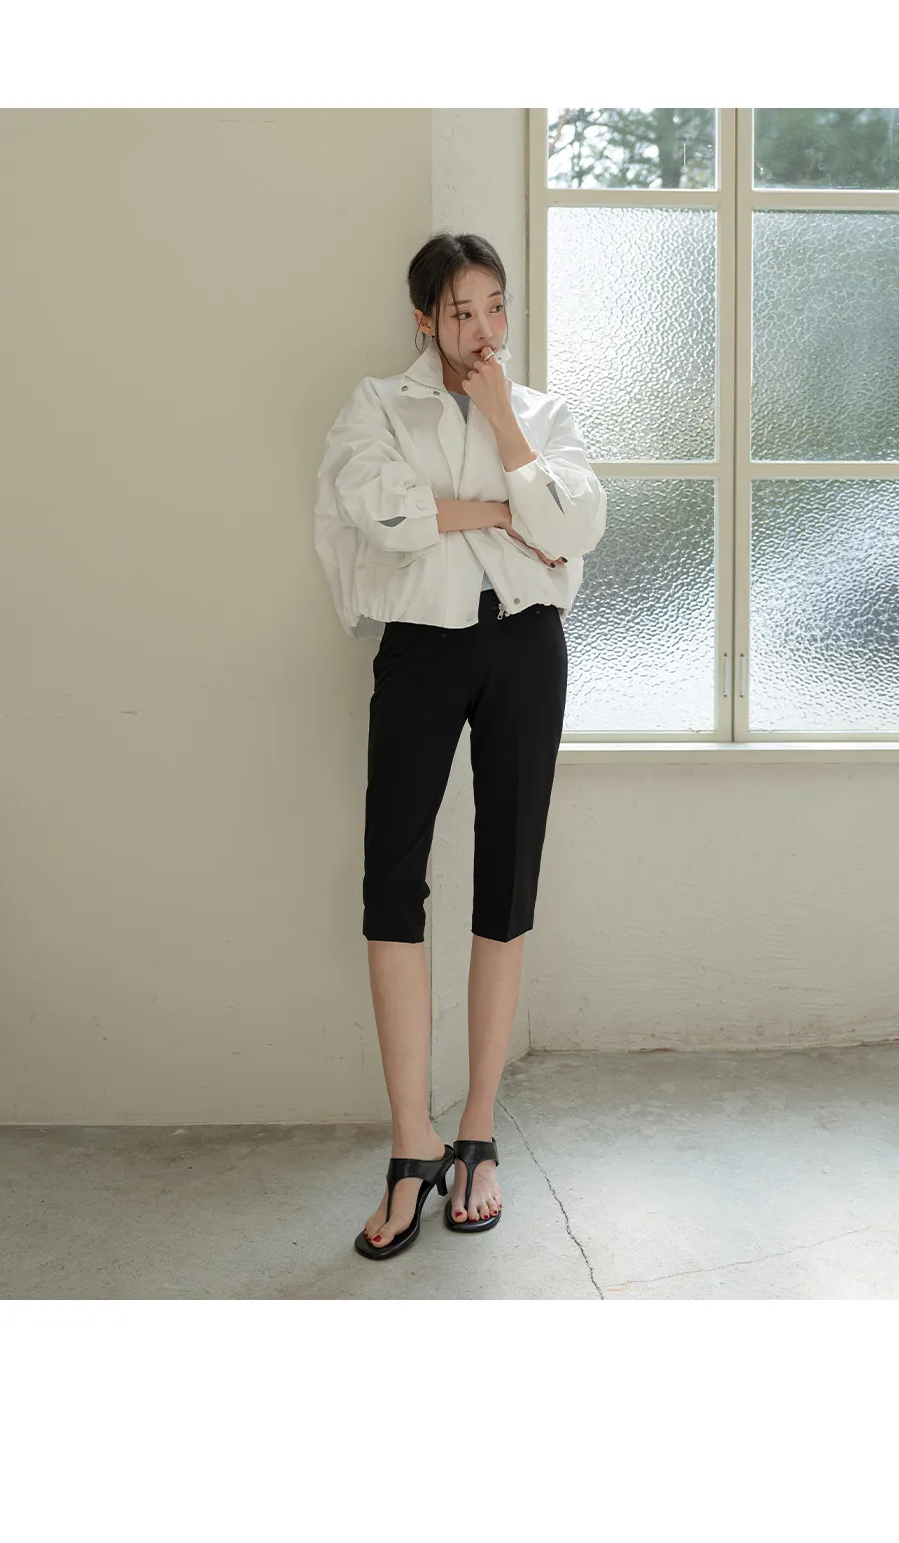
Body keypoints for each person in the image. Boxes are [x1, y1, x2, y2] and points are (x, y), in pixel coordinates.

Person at [314, 231, 608, 1260]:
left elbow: (574, 529)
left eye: (495, 307)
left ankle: (478, 1128)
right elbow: (381, 512)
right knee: (391, 878)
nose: (482, 329)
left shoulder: (542, 414)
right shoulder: (376, 406)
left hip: (526, 647)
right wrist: (500, 514)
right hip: (422, 648)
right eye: (460, 312)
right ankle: (413, 1143)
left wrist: (503, 433)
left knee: (507, 872)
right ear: (423, 320)